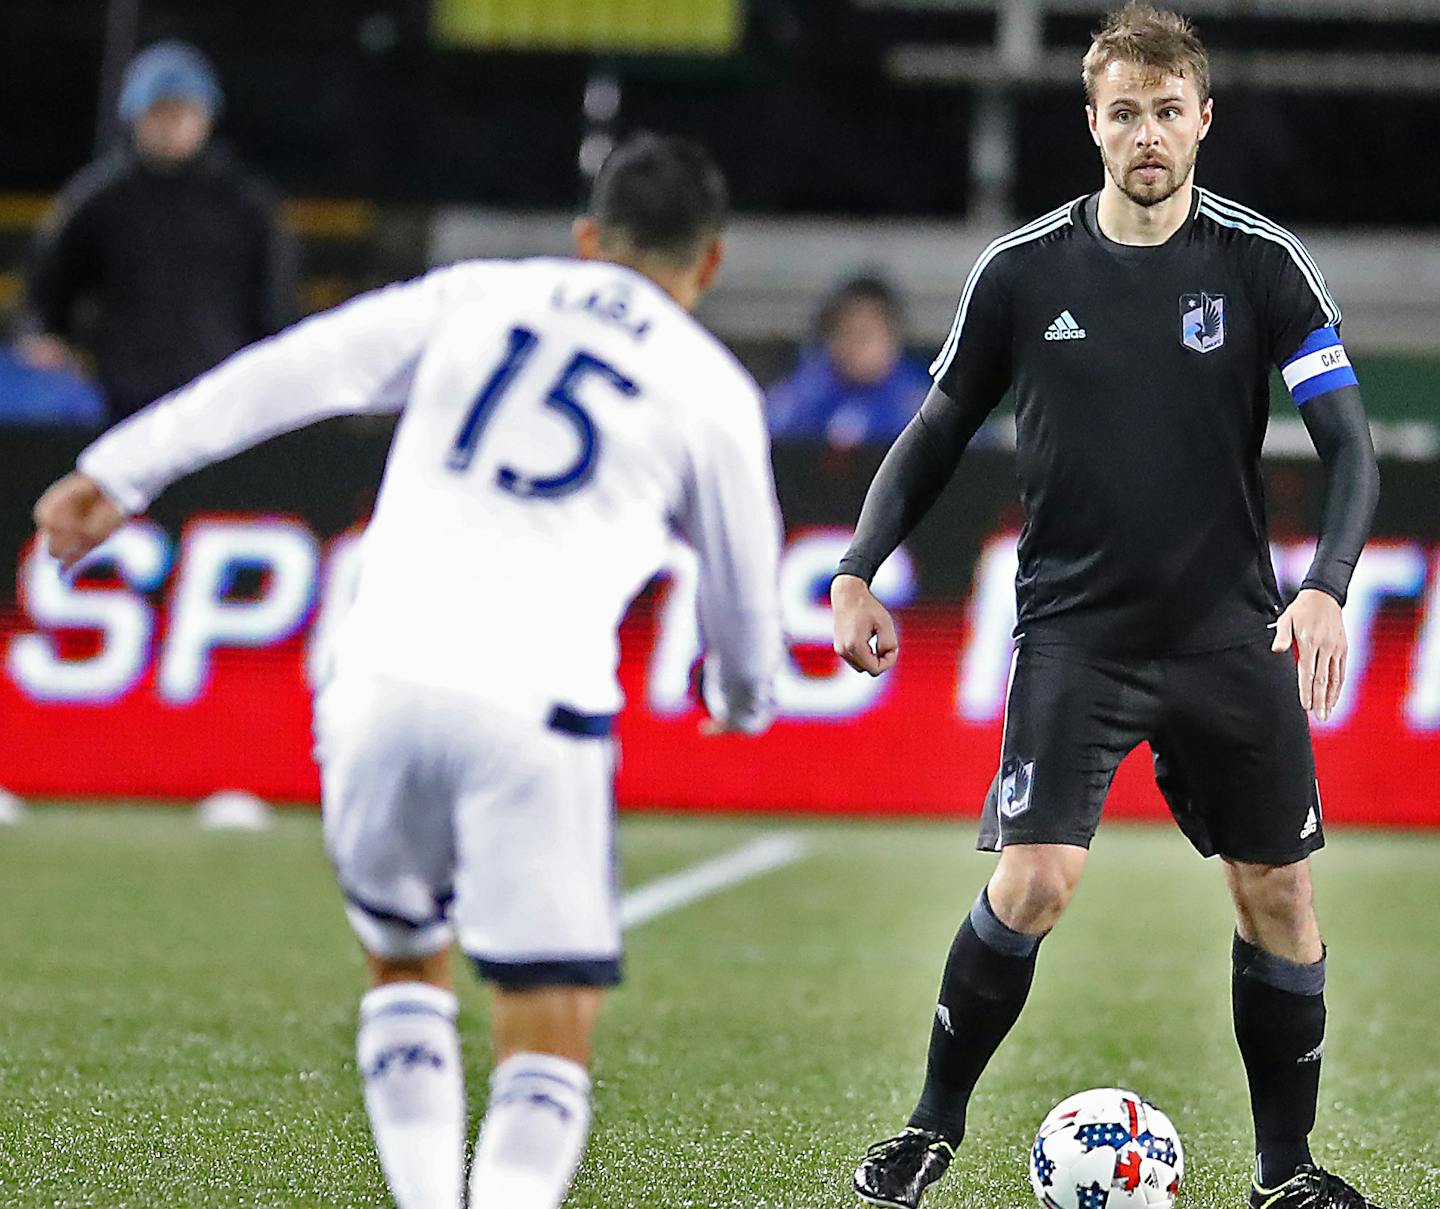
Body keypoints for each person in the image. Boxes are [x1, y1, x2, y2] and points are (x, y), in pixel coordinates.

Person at [33, 134, 784, 1209]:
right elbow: (745, 602)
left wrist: (120, 469)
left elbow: (295, 367)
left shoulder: (480, 295)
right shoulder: (710, 388)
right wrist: (742, 697)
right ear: (708, 264)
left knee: (404, 966)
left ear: (585, 241)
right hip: (535, 705)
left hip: (373, 678)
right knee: (547, 1024)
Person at [831, 7, 1383, 1209]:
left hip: (1229, 634)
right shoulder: (1024, 270)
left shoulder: (1261, 264)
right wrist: (860, 567)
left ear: (1202, 119)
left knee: (1279, 894)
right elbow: (934, 434)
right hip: (1076, 634)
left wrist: (1328, 588)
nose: (1146, 132)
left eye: (1167, 110)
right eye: (1123, 111)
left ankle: (1286, 1174)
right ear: (1092, 123)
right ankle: (928, 1131)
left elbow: (1350, 447)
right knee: (1033, 883)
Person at [18, 40, 295, 424]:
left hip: (221, 390)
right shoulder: (100, 199)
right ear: (135, 116)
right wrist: (46, 333)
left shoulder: (245, 203)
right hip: (126, 394)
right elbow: (48, 285)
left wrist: (272, 364)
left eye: (184, 111)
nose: (172, 125)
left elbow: (274, 298)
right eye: (160, 112)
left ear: (206, 116)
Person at [767, 275, 931, 447]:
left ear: (892, 338)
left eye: (865, 335)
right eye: (845, 332)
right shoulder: (803, 396)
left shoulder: (917, 405)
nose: (854, 345)